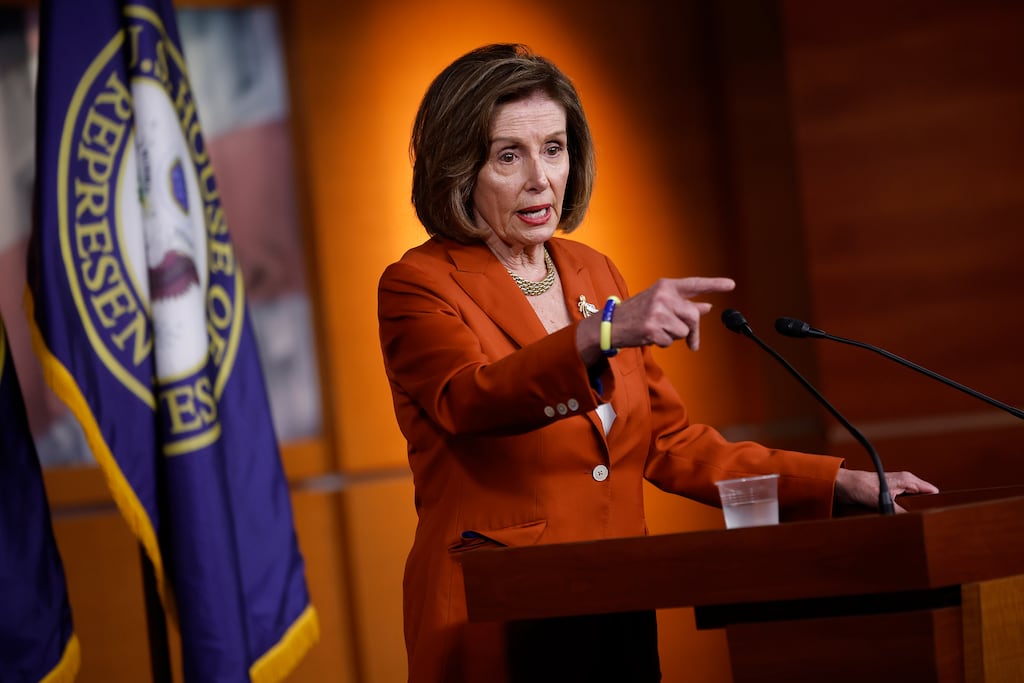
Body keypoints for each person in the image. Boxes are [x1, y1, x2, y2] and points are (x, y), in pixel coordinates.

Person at [377, 43, 938, 683]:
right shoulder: (418, 284)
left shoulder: (592, 270)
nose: (540, 178)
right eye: (510, 155)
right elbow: (471, 398)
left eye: (554, 148)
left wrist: (837, 484)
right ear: (459, 169)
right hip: (500, 613)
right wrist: (601, 334)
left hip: (616, 599)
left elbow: (667, 443)